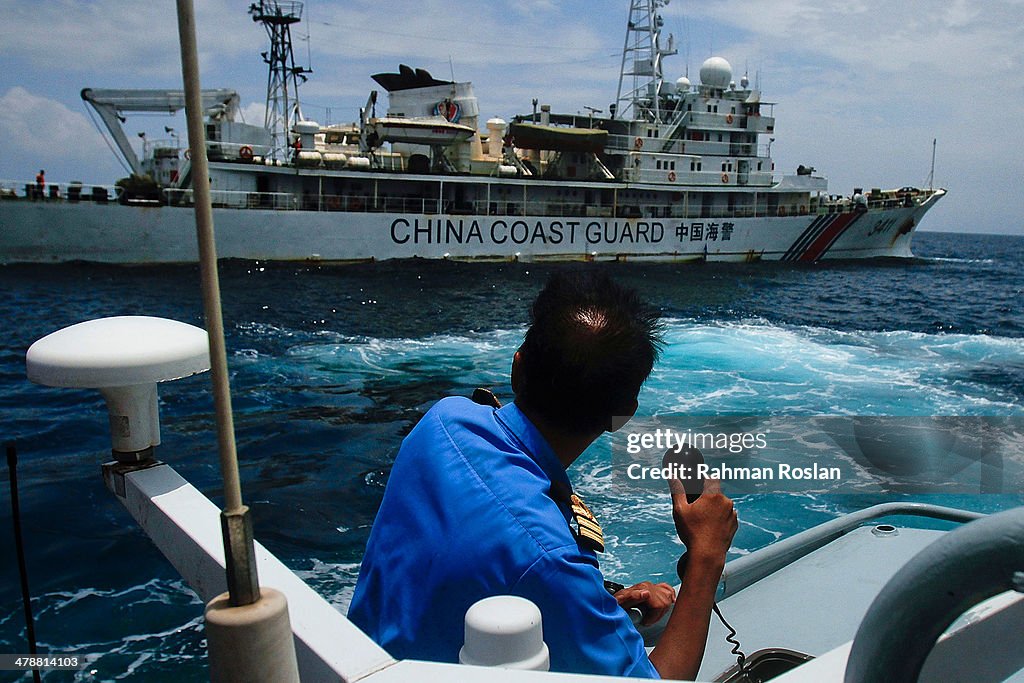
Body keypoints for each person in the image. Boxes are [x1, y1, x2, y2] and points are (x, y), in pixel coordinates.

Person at [348, 271, 737, 679]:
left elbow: (456, 569)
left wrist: (587, 605)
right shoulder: (549, 560)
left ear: (518, 367)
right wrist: (706, 556)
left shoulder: (442, 420)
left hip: (365, 662)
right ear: (622, 414)